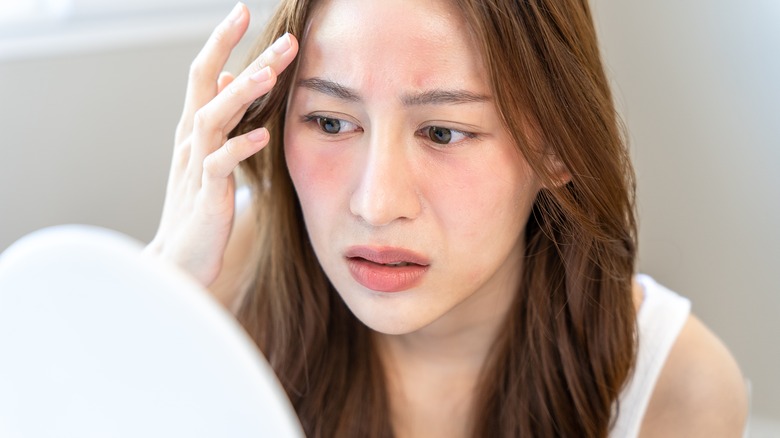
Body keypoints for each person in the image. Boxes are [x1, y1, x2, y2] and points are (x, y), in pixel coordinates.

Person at [144, 0, 749, 436]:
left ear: (557, 148)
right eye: (330, 121)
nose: (376, 205)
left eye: (442, 132)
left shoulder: (678, 389)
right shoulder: (217, 283)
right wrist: (156, 293)